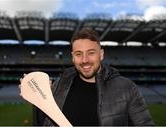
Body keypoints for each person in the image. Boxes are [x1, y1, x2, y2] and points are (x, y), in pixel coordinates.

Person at [22, 28, 155, 126]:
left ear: (101, 54)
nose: (85, 60)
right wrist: (39, 102)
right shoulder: (59, 85)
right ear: (73, 57)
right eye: (79, 54)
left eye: (91, 53)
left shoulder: (127, 88)